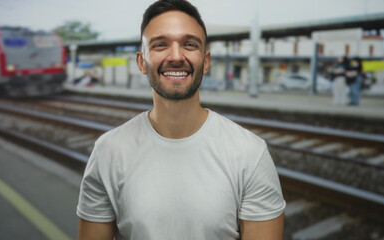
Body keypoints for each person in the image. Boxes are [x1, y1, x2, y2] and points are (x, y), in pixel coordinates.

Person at [76, 1, 286, 239]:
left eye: (189, 44)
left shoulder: (250, 153)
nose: (176, 56)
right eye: (160, 44)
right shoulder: (108, 152)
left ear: (205, 61)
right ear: (141, 62)